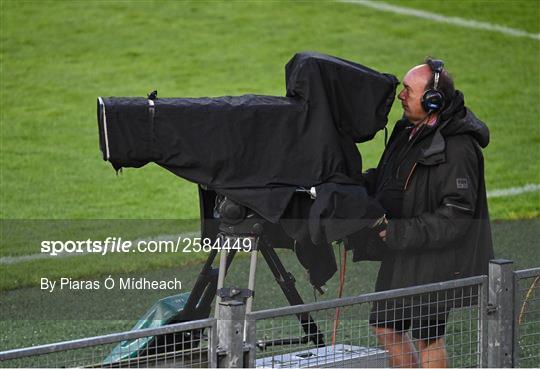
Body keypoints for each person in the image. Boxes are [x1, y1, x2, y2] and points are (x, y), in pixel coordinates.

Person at [363, 58, 494, 368]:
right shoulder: (407, 129)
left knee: (427, 337)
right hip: (404, 248)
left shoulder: (459, 148)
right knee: (385, 325)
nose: (400, 95)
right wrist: (351, 185)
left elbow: (455, 217)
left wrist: (395, 231)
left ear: (432, 101)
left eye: (408, 90)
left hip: (435, 258)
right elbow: (388, 179)